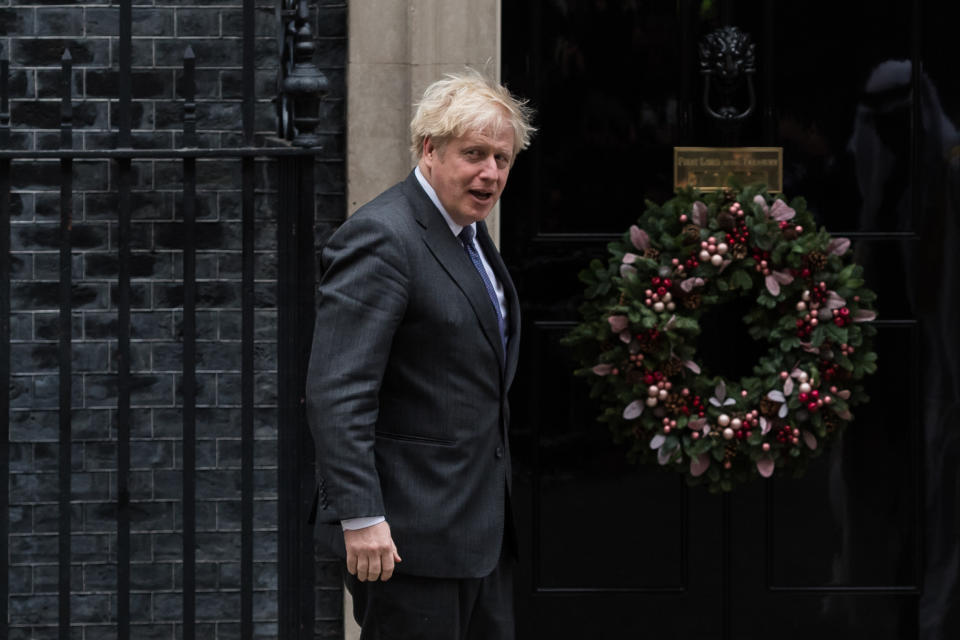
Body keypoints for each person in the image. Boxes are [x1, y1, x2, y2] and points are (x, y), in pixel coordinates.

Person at [306, 70, 535, 639]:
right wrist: (361, 517)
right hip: (406, 541)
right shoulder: (383, 237)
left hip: (479, 534)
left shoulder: (469, 235)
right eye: (474, 154)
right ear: (429, 149)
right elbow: (338, 388)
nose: (490, 173)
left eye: (502, 159)